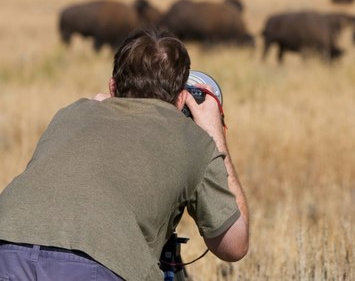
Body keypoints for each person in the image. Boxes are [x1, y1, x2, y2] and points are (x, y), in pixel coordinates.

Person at [0, 29, 250, 280]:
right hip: (95, 265)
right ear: (181, 99)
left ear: (112, 86)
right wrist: (215, 135)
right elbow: (234, 246)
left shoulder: (69, 113)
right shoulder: (194, 139)